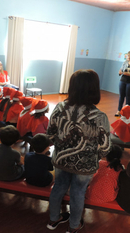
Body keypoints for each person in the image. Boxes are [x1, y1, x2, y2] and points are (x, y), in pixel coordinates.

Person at [47, 69, 111, 233]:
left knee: (58, 188)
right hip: (85, 164)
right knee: (78, 193)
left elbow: (50, 134)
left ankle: (54, 220)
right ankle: (74, 226)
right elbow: (105, 147)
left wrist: (62, 147)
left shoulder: (59, 107)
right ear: (94, 89)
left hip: (60, 160)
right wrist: (94, 156)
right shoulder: (99, 116)